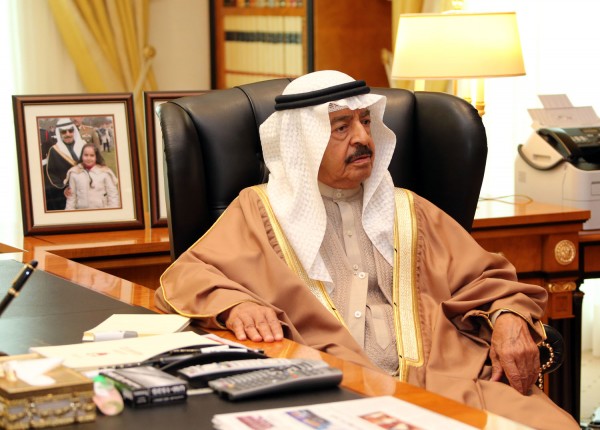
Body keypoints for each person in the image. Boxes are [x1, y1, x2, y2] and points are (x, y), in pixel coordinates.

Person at [156, 70, 578, 429]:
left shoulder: (408, 208)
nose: (363, 138)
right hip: (331, 385)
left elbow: (487, 278)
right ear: (304, 142)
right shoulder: (260, 210)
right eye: (341, 128)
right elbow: (185, 276)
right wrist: (235, 305)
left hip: (447, 380)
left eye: (365, 121)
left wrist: (507, 318)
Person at [44, 118, 86, 210]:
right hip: (67, 195)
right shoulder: (54, 150)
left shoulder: (84, 145)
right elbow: (51, 174)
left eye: (70, 130)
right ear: (59, 134)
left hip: (87, 191)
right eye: (64, 132)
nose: (68, 134)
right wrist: (64, 189)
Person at [64, 143, 120, 210]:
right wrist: (69, 212)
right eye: (86, 155)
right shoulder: (74, 173)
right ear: (82, 156)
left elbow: (113, 195)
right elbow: (71, 197)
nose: (88, 158)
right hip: (82, 211)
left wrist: (113, 212)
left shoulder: (105, 172)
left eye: (92, 155)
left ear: (96, 157)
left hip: (101, 211)